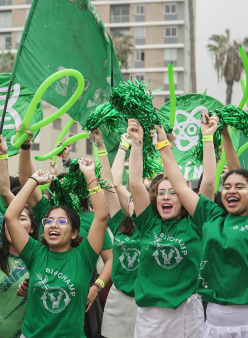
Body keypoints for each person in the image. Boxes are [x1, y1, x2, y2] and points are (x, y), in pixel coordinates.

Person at [127, 114, 218, 338]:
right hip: (150, 316)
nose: (166, 197)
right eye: (161, 193)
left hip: (187, 311)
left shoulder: (197, 223)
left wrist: (207, 138)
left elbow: (207, 182)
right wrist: (136, 143)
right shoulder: (148, 223)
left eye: (174, 192)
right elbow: (135, 183)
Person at [154, 121, 248, 336]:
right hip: (213, 321)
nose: (231, 191)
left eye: (240, 187)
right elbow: (178, 184)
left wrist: (225, 137)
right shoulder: (211, 217)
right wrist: (163, 146)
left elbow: (237, 171)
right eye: (227, 187)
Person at [5, 159, 108, 338]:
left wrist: (90, 174)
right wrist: (33, 180)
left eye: (61, 222)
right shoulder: (35, 253)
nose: (53, 225)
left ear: (75, 233)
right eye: (48, 221)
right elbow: (11, 216)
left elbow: (100, 216)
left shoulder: (84, 256)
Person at [18, 126, 113, 319]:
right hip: (42, 292)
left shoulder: (92, 219)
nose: (54, 225)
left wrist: (97, 287)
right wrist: (26, 145)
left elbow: (110, 259)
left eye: (72, 185)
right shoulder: (47, 211)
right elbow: (26, 179)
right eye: (61, 185)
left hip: (80, 294)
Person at [100, 132, 140, 338]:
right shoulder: (120, 224)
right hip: (118, 299)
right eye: (131, 200)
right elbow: (112, 184)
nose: (133, 203)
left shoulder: (157, 228)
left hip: (147, 302)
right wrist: (123, 145)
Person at [0, 207, 38, 338]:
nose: (14, 224)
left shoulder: (42, 259)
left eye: (22, 218)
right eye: (10, 220)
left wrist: (34, 294)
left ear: (32, 228)